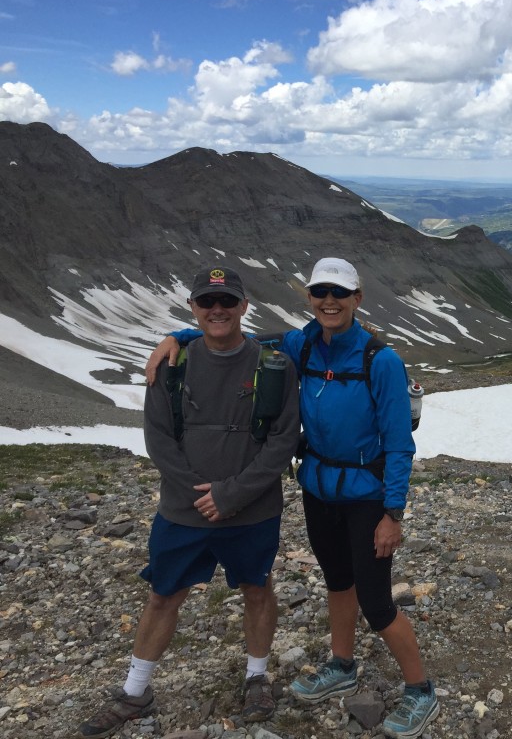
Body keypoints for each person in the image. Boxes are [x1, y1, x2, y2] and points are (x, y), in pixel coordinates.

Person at [145, 257, 438, 739]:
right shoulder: (302, 343)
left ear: (356, 299)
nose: (329, 301)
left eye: (339, 293)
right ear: (309, 298)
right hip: (319, 489)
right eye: (320, 292)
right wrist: (179, 336)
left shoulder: (379, 360)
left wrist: (393, 513)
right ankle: (341, 664)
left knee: (377, 601)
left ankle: (421, 689)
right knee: (337, 582)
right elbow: (236, 337)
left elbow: (399, 442)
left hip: (366, 495)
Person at [78, 266, 301, 738]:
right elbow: (158, 439)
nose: (217, 310)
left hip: (251, 510)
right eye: (207, 302)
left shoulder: (275, 366)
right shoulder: (171, 366)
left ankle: (256, 677)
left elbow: (283, 440)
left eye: (227, 302)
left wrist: (232, 494)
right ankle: (136, 690)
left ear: (243, 306)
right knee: (163, 596)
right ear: (193, 309)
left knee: (257, 590)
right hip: (185, 511)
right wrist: (203, 496)